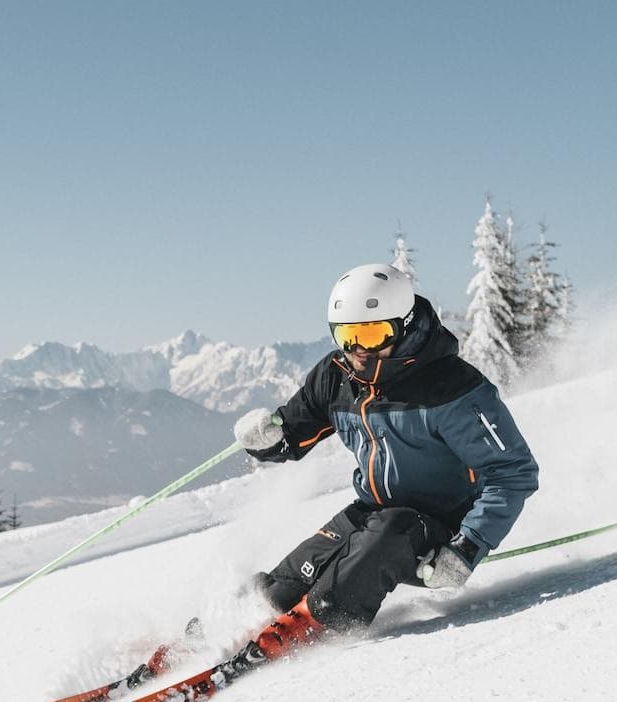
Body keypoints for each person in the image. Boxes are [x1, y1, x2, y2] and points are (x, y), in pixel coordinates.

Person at [228, 262, 539, 656]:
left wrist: (468, 547)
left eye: (372, 334)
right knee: (283, 585)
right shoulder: (337, 376)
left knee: (380, 541)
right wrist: (267, 437)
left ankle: (313, 629)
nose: (358, 348)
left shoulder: (452, 388)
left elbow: (513, 472)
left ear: (404, 325)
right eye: (347, 335)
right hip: (372, 511)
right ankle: (226, 631)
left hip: (444, 528)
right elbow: (293, 431)